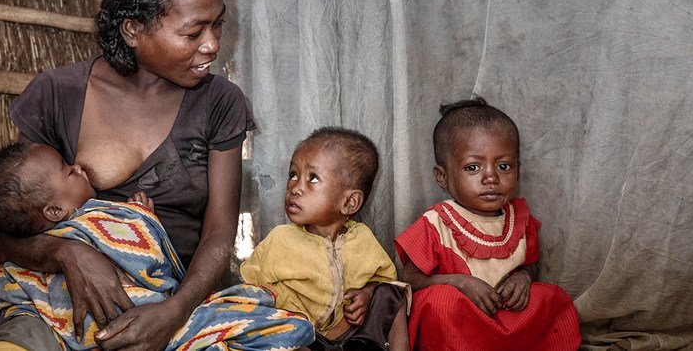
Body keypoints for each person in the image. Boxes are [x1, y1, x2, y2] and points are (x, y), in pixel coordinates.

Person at [0, 0, 259, 351]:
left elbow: (219, 232)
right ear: (133, 30)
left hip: (181, 300)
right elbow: (8, 226)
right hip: (72, 299)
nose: (212, 45)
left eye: (218, 25)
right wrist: (68, 254)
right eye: (193, 32)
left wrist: (173, 313)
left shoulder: (220, 102)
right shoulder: (58, 95)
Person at [0, 141, 314, 350]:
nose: (79, 166)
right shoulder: (87, 221)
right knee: (257, 320)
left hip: (154, 310)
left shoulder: (86, 215)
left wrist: (138, 217)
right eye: (69, 171)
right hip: (119, 315)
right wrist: (141, 222)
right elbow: (144, 263)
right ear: (54, 211)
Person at [394, 97, 580, 350]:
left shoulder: (519, 218)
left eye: (504, 166)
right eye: (473, 167)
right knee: (438, 302)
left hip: (506, 314)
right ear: (443, 176)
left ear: (518, 170)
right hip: (460, 322)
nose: (491, 177)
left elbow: (531, 264)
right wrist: (459, 283)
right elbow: (410, 278)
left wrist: (523, 278)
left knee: (551, 296)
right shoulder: (436, 222)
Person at [240, 127, 410, 351]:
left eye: (313, 178)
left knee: (392, 295)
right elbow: (251, 287)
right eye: (293, 175)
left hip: (353, 333)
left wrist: (367, 294)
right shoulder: (281, 240)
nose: (295, 188)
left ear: (349, 202)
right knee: (275, 328)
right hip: (305, 340)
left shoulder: (361, 238)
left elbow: (382, 276)